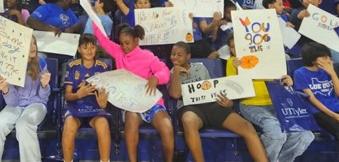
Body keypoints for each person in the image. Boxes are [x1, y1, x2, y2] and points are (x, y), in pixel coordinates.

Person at [168, 42, 268, 162]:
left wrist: (228, 103)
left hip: (210, 105)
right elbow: (175, 94)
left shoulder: (200, 67)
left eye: (180, 55)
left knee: (246, 126)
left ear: (188, 56)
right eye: (173, 54)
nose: (175, 57)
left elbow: (212, 89)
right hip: (189, 108)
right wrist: (176, 72)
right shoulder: (170, 73)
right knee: (188, 120)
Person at [91, 23, 174, 162]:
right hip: (131, 105)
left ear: (136, 40)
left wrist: (156, 77)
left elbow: (164, 71)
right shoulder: (118, 52)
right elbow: (103, 40)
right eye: (122, 43)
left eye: (127, 43)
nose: (124, 47)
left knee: (167, 127)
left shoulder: (148, 56)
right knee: (131, 121)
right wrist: (92, 14)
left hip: (151, 103)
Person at [227, 32, 314, 162]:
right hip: (251, 104)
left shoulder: (269, 60)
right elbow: (235, 90)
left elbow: (282, 82)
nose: (235, 50)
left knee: (305, 135)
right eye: (232, 47)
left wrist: (288, 81)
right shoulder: (232, 63)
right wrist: (239, 71)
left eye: (238, 46)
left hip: (276, 103)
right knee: (276, 134)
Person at [0, 36, 51, 162]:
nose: (33, 47)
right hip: (16, 105)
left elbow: (44, 97)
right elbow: (12, 102)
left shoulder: (41, 62)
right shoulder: (9, 65)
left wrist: (45, 86)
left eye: (34, 43)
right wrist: (5, 90)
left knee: (23, 125)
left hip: (36, 104)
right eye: (29, 44)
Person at [61, 35, 111, 162]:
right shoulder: (72, 65)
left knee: (103, 125)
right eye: (85, 47)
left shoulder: (103, 67)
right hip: (75, 106)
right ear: (79, 49)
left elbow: (105, 98)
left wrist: (102, 103)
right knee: (69, 125)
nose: (89, 51)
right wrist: (78, 95)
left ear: (96, 49)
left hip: (95, 108)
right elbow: (67, 95)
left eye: (92, 47)